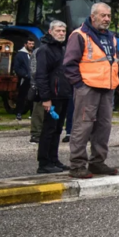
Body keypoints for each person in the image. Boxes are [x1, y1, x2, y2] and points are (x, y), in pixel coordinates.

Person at [63, 3, 119, 178]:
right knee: (83, 126)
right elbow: (69, 64)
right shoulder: (79, 35)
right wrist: (80, 85)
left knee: (104, 126)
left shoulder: (111, 37)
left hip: (107, 88)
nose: (107, 19)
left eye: (109, 16)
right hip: (87, 87)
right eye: (103, 15)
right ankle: (77, 165)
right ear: (93, 16)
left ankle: (97, 162)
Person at [35, 21, 72, 173]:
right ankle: (44, 163)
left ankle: (54, 159)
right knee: (48, 129)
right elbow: (41, 75)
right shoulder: (44, 50)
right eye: (58, 30)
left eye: (63, 30)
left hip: (64, 94)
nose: (61, 33)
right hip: (52, 95)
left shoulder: (63, 48)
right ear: (51, 31)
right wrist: (45, 98)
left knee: (57, 129)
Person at [13, 39, 34, 120]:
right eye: (30, 44)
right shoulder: (20, 55)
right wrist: (25, 75)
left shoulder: (34, 53)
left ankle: (32, 114)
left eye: (32, 44)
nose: (31, 45)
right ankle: (19, 113)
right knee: (22, 96)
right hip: (24, 79)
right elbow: (17, 68)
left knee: (33, 96)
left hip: (33, 78)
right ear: (25, 44)